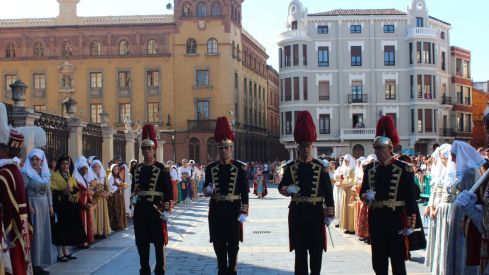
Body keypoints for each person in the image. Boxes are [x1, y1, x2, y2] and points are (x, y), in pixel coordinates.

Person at [360, 115, 419, 275]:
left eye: (381, 149)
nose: (377, 152)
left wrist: (410, 223)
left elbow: (410, 198)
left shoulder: (403, 168)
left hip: (396, 219)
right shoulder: (370, 169)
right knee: (378, 261)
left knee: (398, 260)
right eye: (376, 149)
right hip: (376, 218)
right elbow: (362, 193)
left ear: (389, 149)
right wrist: (366, 196)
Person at [278, 111, 334, 275]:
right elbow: (281, 187)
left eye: (308, 146)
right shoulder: (290, 167)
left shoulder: (320, 167)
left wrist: (330, 213)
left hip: (316, 212)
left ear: (312, 146)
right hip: (297, 213)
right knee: (300, 252)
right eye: (302, 146)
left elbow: (329, 193)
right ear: (298, 147)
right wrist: (288, 190)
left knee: (316, 252)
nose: (305, 149)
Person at [203, 116, 249, 275]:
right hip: (216, 210)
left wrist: (244, 211)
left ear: (231, 149)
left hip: (233, 210)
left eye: (226, 148)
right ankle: (222, 269)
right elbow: (205, 188)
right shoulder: (210, 168)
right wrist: (207, 190)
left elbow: (245, 192)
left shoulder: (240, 168)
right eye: (221, 148)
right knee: (218, 244)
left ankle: (232, 270)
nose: (223, 151)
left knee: (234, 245)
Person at [131, 124, 173, 275]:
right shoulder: (137, 169)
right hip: (141, 210)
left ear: (154, 150)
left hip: (156, 209)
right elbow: (133, 189)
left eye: (149, 148)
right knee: (141, 243)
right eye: (144, 148)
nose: (147, 151)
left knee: (158, 242)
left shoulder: (162, 169)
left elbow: (168, 192)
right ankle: (144, 269)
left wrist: (167, 210)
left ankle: (160, 269)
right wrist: (133, 198)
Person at [0, 104, 32, 275]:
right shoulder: (14, 169)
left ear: (4, 151)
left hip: (11, 226)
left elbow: (6, 205)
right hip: (21, 223)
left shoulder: (4, 173)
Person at [22, 148, 53, 275]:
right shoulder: (26, 172)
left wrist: (51, 205)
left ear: (42, 161)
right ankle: (33, 264)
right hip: (33, 205)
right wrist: (28, 205)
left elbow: (48, 191)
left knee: (43, 233)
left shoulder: (45, 173)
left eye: (37, 159)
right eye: (32, 159)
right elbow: (22, 191)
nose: (35, 162)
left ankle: (40, 263)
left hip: (44, 205)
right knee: (34, 235)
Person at [50, 155, 86, 262]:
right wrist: (63, 191)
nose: (65, 166)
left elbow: (75, 188)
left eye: (67, 164)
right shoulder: (54, 176)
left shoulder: (70, 176)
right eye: (63, 163)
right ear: (59, 164)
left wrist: (72, 190)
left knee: (67, 228)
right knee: (60, 229)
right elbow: (52, 190)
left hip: (69, 206)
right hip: (59, 206)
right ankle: (60, 254)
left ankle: (66, 252)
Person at [73, 156, 97, 248]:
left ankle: (86, 240)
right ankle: (81, 241)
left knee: (87, 222)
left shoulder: (84, 178)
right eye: (83, 169)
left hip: (86, 203)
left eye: (86, 169)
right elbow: (77, 194)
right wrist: (83, 204)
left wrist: (90, 202)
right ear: (79, 169)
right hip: (80, 205)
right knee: (81, 223)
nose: (85, 171)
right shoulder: (76, 179)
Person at [90, 159, 111, 238]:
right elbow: (90, 189)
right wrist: (96, 193)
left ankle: (102, 231)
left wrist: (106, 193)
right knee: (96, 215)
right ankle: (96, 232)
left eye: (98, 167)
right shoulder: (91, 177)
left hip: (102, 199)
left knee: (103, 214)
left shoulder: (103, 177)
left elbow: (107, 187)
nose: (96, 168)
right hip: (95, 199)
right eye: (94, 167)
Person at [107, 164, 127, 231]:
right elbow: (110, 187)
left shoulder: (118, 177)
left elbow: (121, 184)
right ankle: (114, 225)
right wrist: (118, 187)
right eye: (115, 169)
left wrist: (122, 186)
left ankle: (120, 224)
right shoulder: (111, 177)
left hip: (119, 195)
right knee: (115, 209)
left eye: (117, 169)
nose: (116, 170)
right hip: (114, 196)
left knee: (120, 208)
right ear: (112, 170)